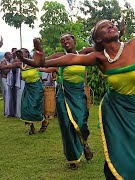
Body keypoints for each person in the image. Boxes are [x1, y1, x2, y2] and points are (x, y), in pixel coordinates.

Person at [17, 5, 135, 179]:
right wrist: (38, 61)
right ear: (99, 38)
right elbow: (64, 61)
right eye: (104, 26)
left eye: (112, 24)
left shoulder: (134, 45)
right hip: (115, 110)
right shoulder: (98, 57)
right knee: (117, 149)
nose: (111, 25)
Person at [36, 33, 94, 169]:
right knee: (67, 125)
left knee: (81, 122)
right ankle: (73, 158)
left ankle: (84, 143)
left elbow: (104, 48)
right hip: (64, 94)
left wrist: (118, 35)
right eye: (62, 40)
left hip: (79, 94)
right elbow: (42, 61)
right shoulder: (59, 56)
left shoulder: (85, 52)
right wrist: (37, 51)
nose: (65, 41)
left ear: (74, 40)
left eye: (67, 39)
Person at [0, 48, 49, 135]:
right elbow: (3, 67)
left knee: (34, 107)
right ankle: (31, 128)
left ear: (27, 53)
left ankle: (44, 121)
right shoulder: (19, 64)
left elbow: (47, 61)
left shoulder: (34, 63)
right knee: (25, 108)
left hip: (36, 87)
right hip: (28, 87)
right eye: (18, 53)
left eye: (21, 53)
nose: (19, 55)